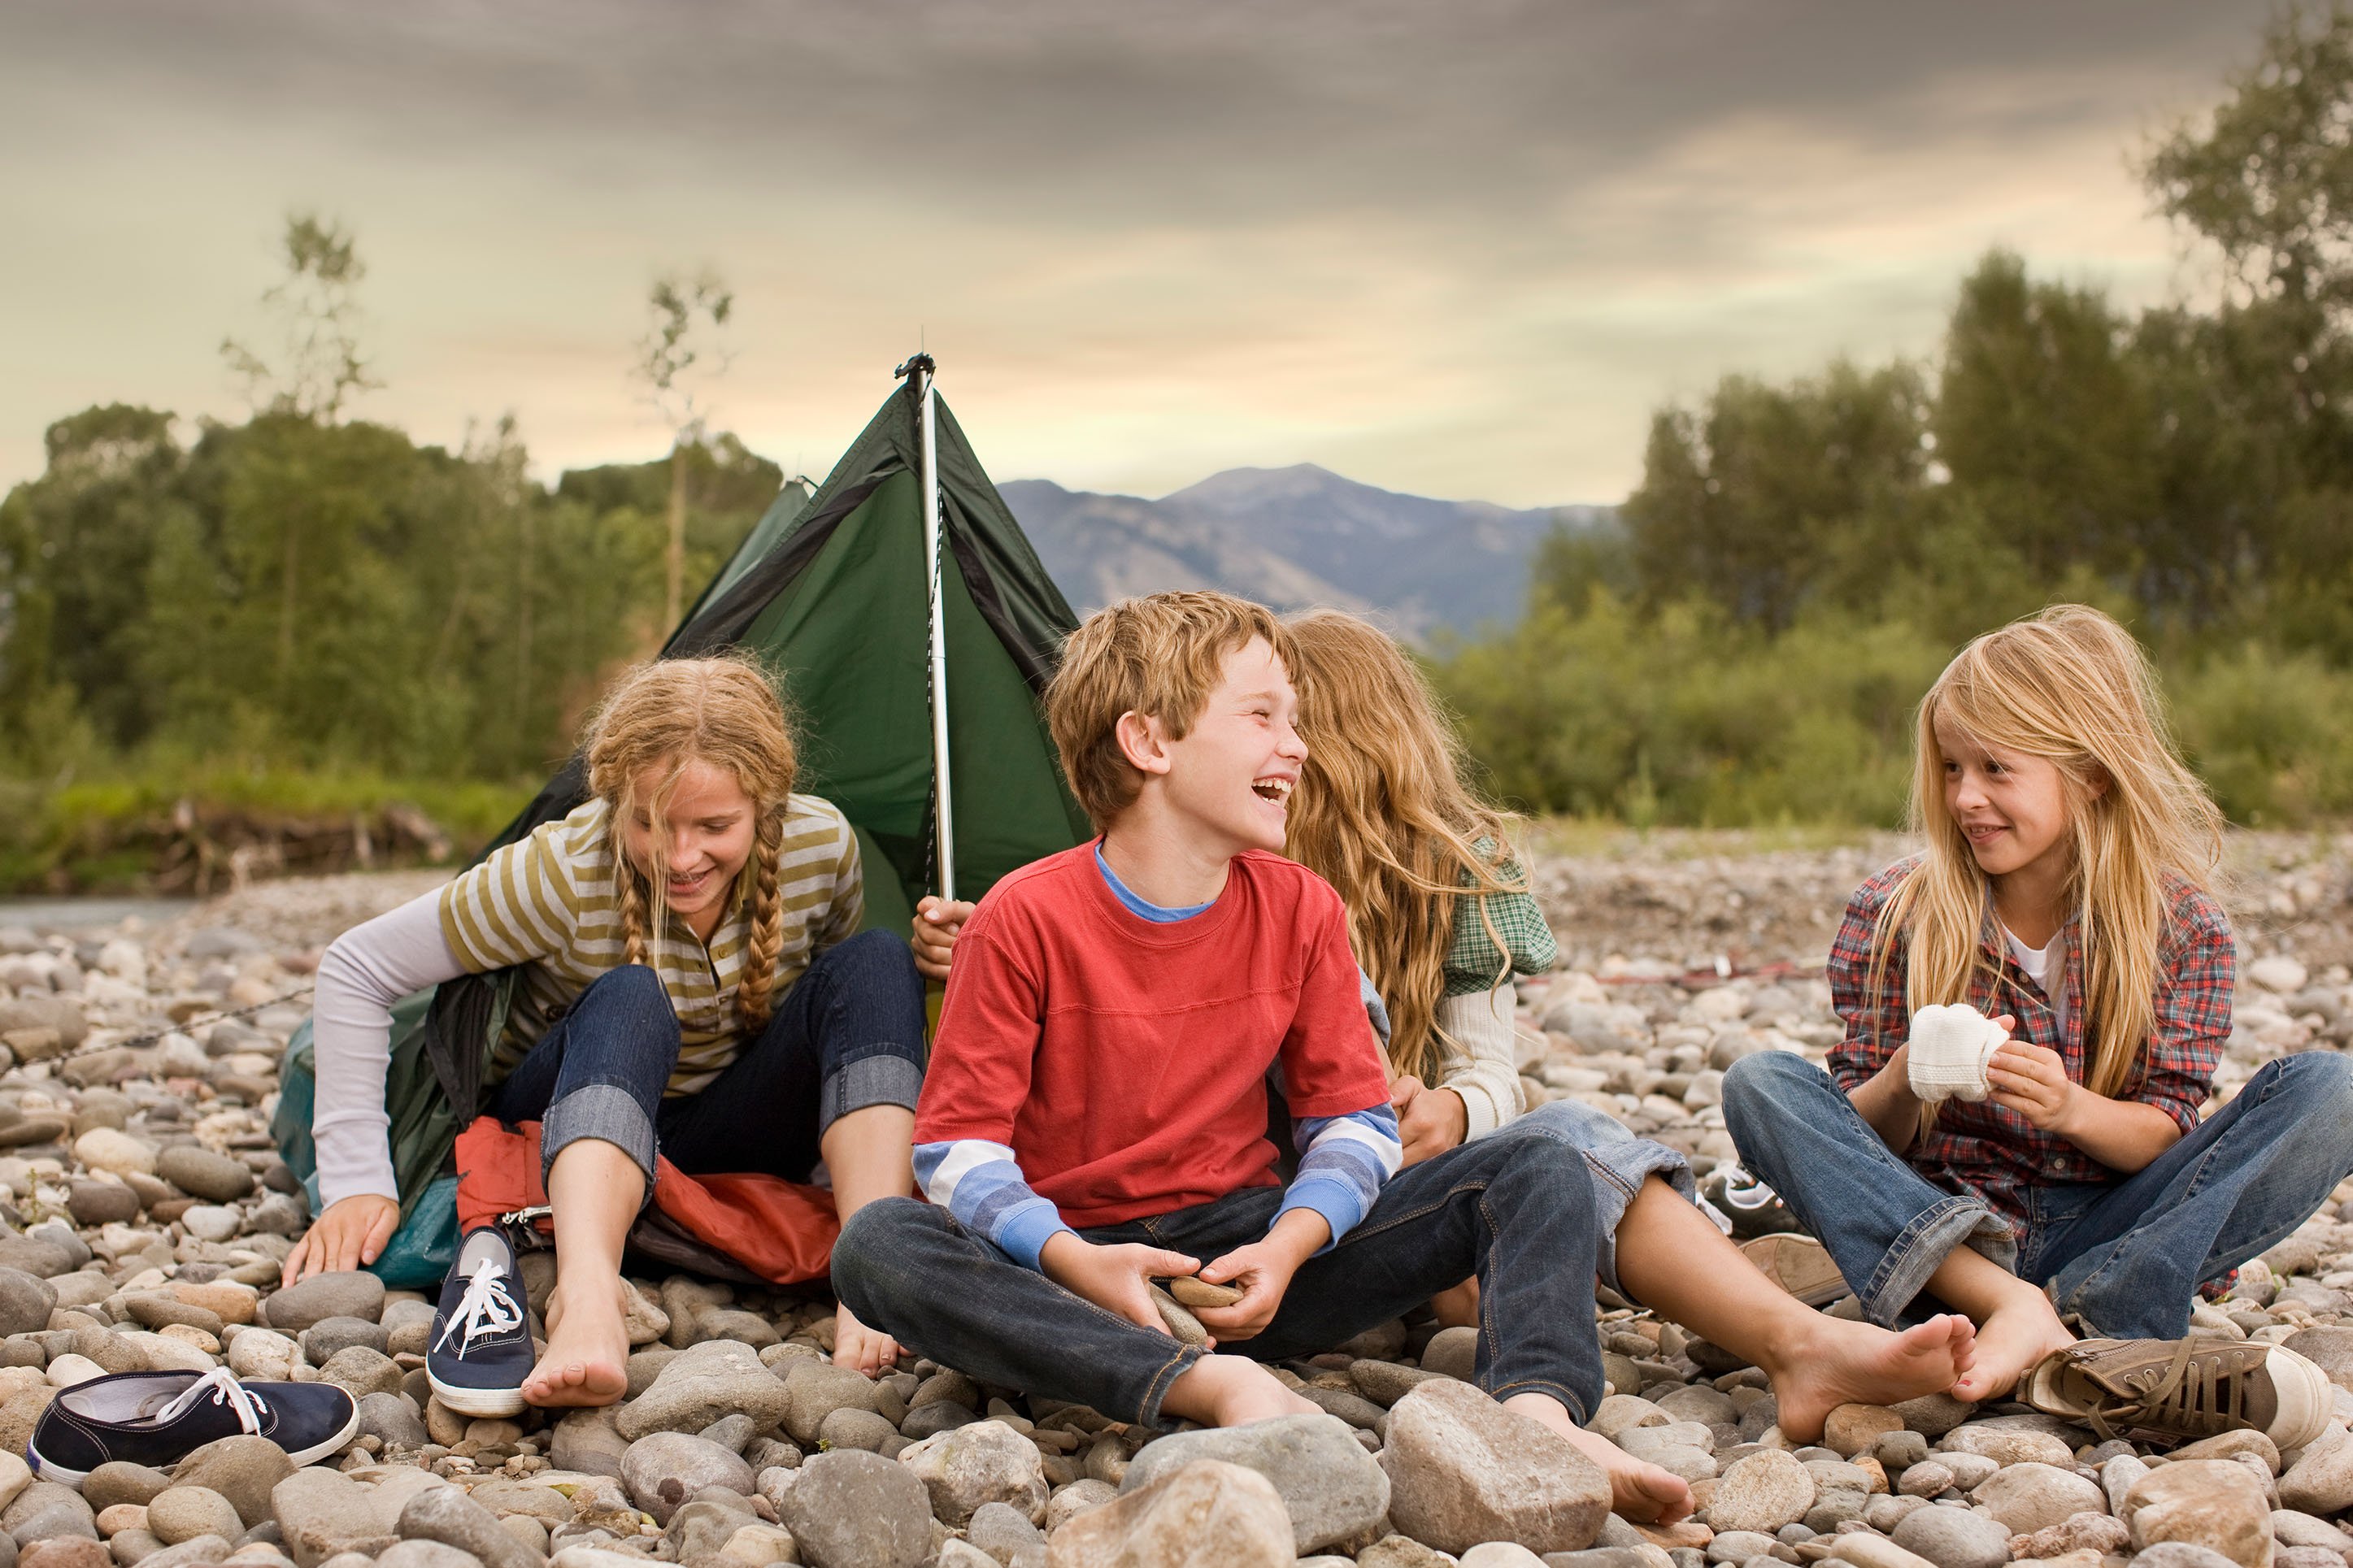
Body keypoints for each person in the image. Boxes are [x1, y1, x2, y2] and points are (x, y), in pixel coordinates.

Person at [848, 591, 1971, 1525]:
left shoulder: (1299, 909)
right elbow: (955, 1146)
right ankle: (1202, 1388)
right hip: (1082, 1271)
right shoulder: (1024, 917)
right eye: (1262, 717)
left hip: (1255, 1252)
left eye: (1296, 718)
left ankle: (1536, 1417)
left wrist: (1289, 1246)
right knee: (880, 1243)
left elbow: (1350, 1123)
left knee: (1534, 1161)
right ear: (1148, 741)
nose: (1295, 744)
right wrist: (1074, 1258)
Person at [1278, 607, 1983, 1449]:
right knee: (1562, 1154)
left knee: (1565, 1135)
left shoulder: (1454, 872)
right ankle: (1719, 1285)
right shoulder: (1230, 883)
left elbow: (1489, 1070)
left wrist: (1453, 1113)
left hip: (1415, 1178)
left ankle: (1792, 1339)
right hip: (1293, 1207)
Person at [1722, 605, 2349, 1446]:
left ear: (2088, 773)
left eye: (1993, 769)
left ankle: (2088, 1307)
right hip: (1947, 1230)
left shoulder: (2180, 926)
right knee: (1761, 1083)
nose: (1964, 797)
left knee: (2328, 1087)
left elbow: (2165, 1135)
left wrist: (2068, 1109)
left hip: (2108, 1223)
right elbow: (1857, 1141)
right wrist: (1905, 1077)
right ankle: (2047, 1327)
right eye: (1949, 768)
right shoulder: (1895, 911)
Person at [289, 656, 929, 1411]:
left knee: (881, 959)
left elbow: (838, 1016)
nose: (682, 857)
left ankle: (870, 1269)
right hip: (569, 1128)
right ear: (615, 797)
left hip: (722, 1134)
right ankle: (588, 1296)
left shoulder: (821, 848)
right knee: (632, 992)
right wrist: (356, 1181)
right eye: (650, 823)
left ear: (767, 802)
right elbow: (357, 966)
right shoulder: (559, 870)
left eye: (715, 826)